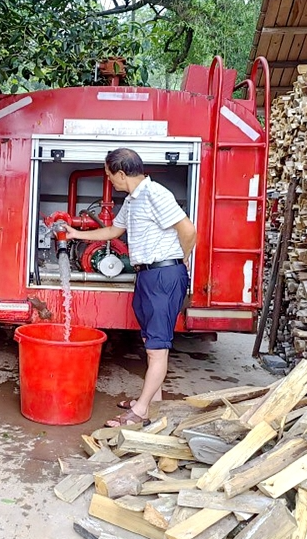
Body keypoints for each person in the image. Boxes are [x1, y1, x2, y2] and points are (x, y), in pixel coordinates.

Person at [64, 147, 197, 427]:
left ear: (122, 174)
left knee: (157, 348)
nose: (109, 180)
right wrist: (77, 233)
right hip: (147, 276)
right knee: (151, 342)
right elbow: (114, 231)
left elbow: (189, 230)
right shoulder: (133, 199)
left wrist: (181, 258)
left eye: (110, 175)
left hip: (164, 275)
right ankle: (153, 401)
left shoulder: (155, 194)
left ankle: (141, 412)